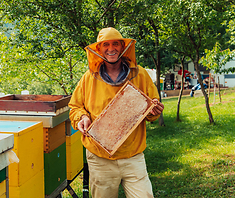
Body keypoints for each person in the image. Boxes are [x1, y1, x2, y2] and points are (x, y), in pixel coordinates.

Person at [68, 27, 164, 198]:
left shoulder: (140, 75)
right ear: (99, 49)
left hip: (132, 155)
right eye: (106, 45)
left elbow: (151, 113)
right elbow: (75, 106)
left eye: (115, 44)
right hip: (100, 158)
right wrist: (82, 117)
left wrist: (154, 110)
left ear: (123, 47)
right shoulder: (88, 78)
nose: (111, 48)